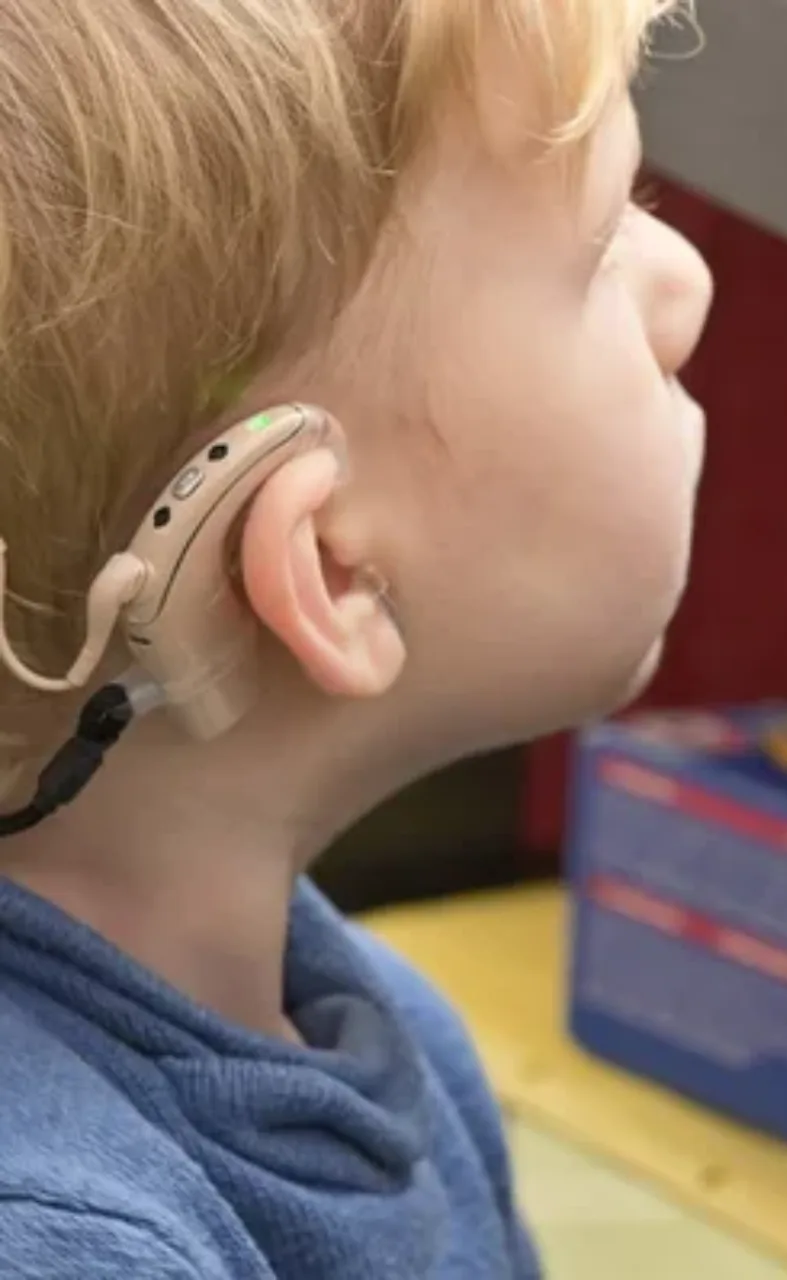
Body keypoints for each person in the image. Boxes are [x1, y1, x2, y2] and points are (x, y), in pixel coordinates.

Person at [0, 1, 712, 1276]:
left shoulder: (361, 1023)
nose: (685, 289)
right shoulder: (70, 1240)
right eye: (600, 244)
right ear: (329, 569)